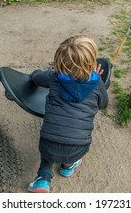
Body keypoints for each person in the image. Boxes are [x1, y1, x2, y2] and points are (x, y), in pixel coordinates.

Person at [27, 35, 109, 193]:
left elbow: (38, 78)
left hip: (48, 145)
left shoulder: (55, 77)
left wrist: (35, 73)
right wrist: (96, 79)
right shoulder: (97, 83)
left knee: (49, 149)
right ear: (92, 62)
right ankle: (68, 166)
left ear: (61, 62)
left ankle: (43, 179)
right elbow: (103, 104)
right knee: (72, 146)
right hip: (79, 148)